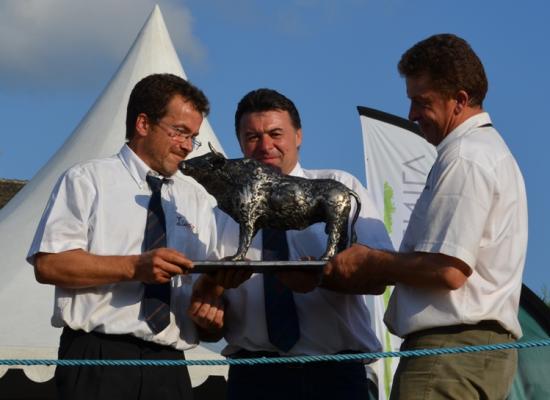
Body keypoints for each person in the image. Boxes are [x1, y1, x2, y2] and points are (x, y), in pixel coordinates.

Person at [322, 33, 528, 399]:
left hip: (447, 356)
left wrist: (369, 260)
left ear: (460, 100)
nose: (412, 115)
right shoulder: (487, 152)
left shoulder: (465, 155)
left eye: (422, 102)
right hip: (470, 354)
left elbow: (448, 268)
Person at [188, 88, 394, 400]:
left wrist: (321, 279)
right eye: (252, 137)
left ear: (298, 136)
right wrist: (210, 306)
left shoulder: (340, 185)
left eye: (275, 133)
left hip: (334, 374)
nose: (265, 146)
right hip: (253, 376)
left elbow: (380, 277)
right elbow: (208, 320)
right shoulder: (218, 215)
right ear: (239, 142)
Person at [27, 73, 219, 400]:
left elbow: (206, 293)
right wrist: (134, 267)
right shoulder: (86, 179)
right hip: (98, 359)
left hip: (171, 365)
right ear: (143, 124)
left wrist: (215, 299)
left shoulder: (199, 198)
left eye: (193, 137)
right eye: (180, 132)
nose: (188, 146)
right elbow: (49, 265)